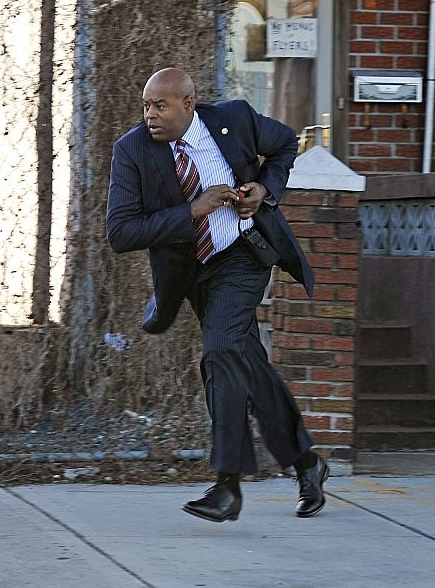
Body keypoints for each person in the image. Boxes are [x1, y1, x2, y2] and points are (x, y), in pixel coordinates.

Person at [106, 67, 327, 522]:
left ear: (188, 104)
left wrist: (265, 189)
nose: (150, 115)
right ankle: (308, 463)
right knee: (247, 363)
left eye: (160, 105)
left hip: (242, 256)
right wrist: (192, 210)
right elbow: (121, 232)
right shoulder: (132, 151)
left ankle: (228, 484)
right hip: (190, 271)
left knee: (221, 350)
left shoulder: (235, 120)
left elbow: (286, 143)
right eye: (146, 106)